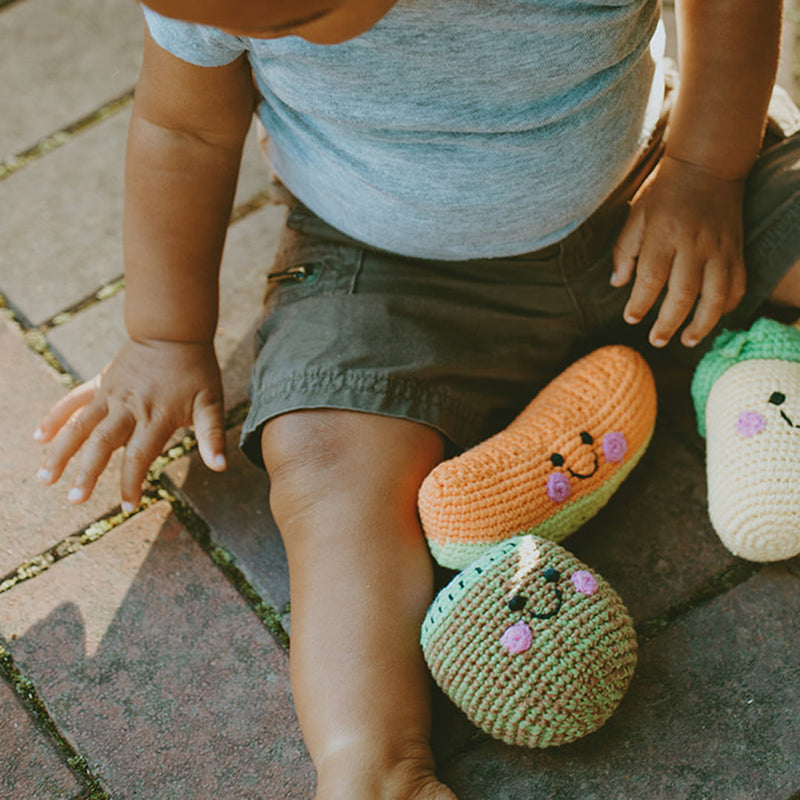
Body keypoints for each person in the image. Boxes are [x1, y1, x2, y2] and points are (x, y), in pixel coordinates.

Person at [33, 0, 799, 797]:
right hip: (386, 270)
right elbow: (185, 130)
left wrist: (708, 171)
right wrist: (166, 336)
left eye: (295, 15)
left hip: (654, 186)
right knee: (326, 462)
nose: (258, 38)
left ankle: (747, 367)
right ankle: (374, 764)